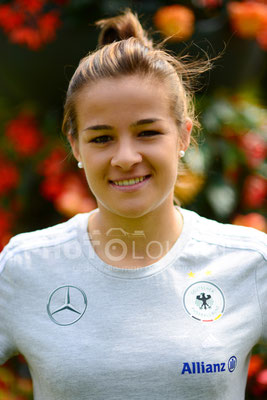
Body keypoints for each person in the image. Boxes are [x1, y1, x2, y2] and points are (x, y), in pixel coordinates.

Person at [0, 8, 266, 400]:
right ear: (75, 145)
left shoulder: (250, 262)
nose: (125, 156)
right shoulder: (25, 265)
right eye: (102, 138)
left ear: (183, 136)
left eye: (147, 132)